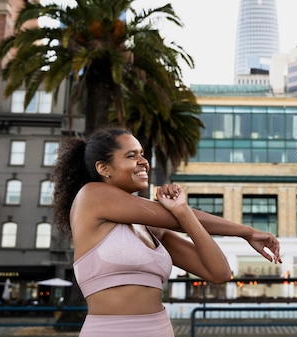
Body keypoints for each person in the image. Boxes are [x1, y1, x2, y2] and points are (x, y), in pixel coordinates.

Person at [52, 127, 281, 337]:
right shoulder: (92, 196)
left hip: (159, 330)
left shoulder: (152, 228)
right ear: (104, 168)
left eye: (142, 154)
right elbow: (174, 219)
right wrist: (246, 232)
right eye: (131, 156)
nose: (144, 162)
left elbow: (219, 273)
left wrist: (183, 211)